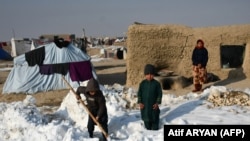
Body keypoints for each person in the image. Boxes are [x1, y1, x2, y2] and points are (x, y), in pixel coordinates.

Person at [137, 64, 163, 130]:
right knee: (147, 124)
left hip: (153, 107)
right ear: (145, 75)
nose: (149, 76)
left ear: (154, 74)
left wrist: (157, 103)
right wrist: (140, 102)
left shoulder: (156, 84)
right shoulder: (142, 84)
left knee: (155, 122)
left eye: (151, 74)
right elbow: (139, 93)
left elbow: (159, 94)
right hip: (145, 107)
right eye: (147, 74)